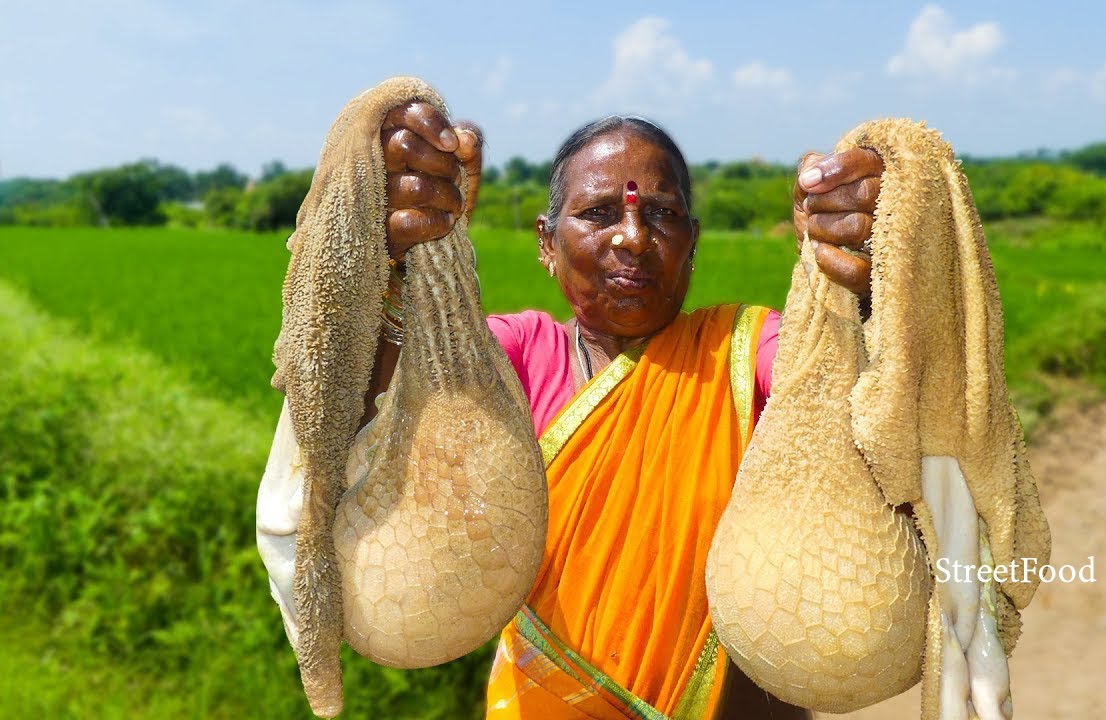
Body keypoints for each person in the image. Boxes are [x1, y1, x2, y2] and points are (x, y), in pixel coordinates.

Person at [261, 101, 882, 720]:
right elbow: (359, 430)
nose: (633, 238)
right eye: (598, 213)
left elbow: (858, 391)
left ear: (691, 242)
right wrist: (398, 260)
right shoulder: (508, 360)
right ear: (547, 242)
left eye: (661, 214)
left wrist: (861, 282)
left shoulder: (745, 352)